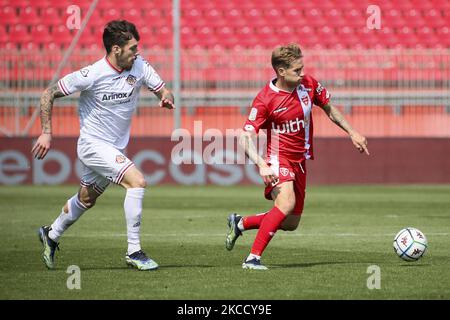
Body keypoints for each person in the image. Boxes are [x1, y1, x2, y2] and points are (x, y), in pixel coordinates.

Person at [32, 20, 175, 271]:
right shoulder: (93, 74)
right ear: (116, 49)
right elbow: (49, 93)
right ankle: (134, 251)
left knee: (86, 199)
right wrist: (46, 132)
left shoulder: (139, 66)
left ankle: (51, 234)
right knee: (137, 182)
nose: (137, 52)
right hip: (93, 145)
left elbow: (163, 89)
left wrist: (165, 98)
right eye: (132, 48)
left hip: (114, 149)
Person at [225, 43, 369, 270]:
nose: (303, 74)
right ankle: (252, 258)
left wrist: (352, 132)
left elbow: (329, 108)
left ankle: (241, 223)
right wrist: (262, 165)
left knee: (291, 222)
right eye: (296, 70)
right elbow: (244, 137)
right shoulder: (265, 100)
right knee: (287, 202)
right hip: (277, 158)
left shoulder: (309, 84)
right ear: (281, 71)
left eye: (302, 68)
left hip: (299, 160)